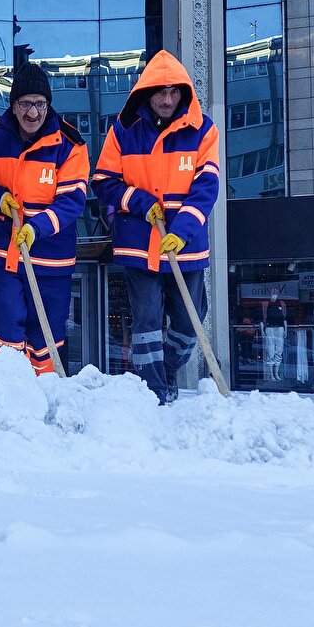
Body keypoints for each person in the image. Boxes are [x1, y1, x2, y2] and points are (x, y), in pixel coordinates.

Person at [91, 50, 221, 405]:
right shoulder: (123, 132)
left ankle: (164, 374)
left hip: (187, 246)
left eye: (174, 91)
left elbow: (207, 186)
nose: (166, 99)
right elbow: (103, 181)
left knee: (189, 323)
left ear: (183, 94)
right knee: (147, 324)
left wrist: (182, 230)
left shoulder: (203, 131)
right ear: (146, 92)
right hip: (139, 244)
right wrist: (139, 202)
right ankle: (154, 393)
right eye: (160, 91)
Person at [0, 61, 88, 373]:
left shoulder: (69, 145)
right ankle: (5, 401)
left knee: (46, 340)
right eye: (25, 103)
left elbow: (72, 200)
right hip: (6, 257)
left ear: (49, 104)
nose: (32, 113)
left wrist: (36, 228)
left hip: (51, 263)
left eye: (39, 104)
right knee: (5, 331)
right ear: (13, 104)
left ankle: (45, 399)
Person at [262, 291, 288, 380]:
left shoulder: (281, 304)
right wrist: (263, 330)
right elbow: (263, 318)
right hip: (270, 328)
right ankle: (271, 374)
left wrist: (285, 329)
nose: (274, 296)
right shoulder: (265, 304)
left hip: (280, 328)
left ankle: (276, 374)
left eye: (276, 294)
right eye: (273, 294)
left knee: (279, 350)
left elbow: (284, 318)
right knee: (270, 350)